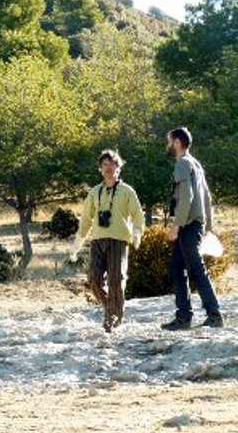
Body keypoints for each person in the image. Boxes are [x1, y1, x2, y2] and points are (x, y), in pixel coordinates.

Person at [70, 150, 144, 332]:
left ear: (118, 167)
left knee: (116, 281)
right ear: (100, 168)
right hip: (97, 240)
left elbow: (137, 215)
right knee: (93, 279)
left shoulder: (127, 191)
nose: (109, 168)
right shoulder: (95, 192)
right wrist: (77, 243)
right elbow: (86, 219)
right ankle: (110, 308)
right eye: (105, 164)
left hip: (118, 240)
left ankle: (114, 319)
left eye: (112, 164)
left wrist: (137, 234)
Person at [160, 127, 223, 330]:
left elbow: (187, 197)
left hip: (187, 225)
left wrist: (176, 226)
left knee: (196, 269)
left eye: (169, 141)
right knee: (177, 268)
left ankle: (214, 314)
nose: (167, 145)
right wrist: (208, 226)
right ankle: (184, 316)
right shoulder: (196, 164)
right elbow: (206, 196)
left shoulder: (182, 163)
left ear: (177, 143)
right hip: (196, 224)